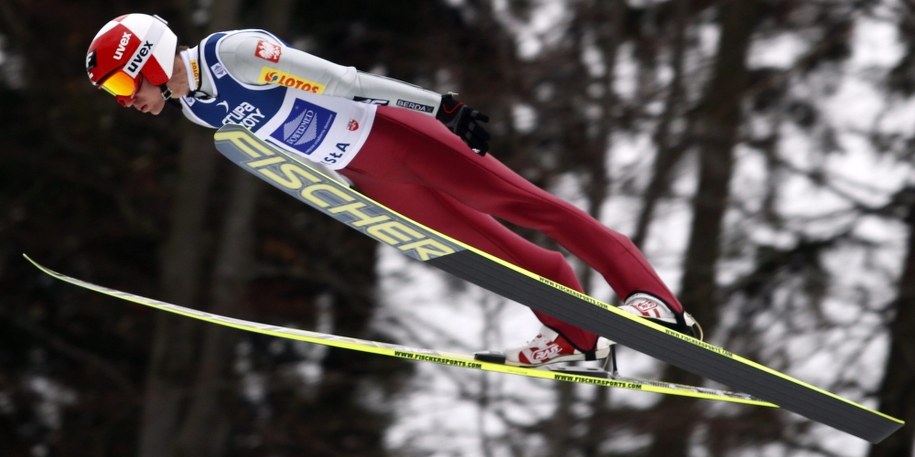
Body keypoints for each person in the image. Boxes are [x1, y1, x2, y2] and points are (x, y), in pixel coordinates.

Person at [86, 13, 698, 367]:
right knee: (486, 252)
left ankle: (653, 298)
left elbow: (340, 80)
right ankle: (573, 333)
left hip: (394, 133)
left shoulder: (236, 56)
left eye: (121, 87)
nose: (127, 103)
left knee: (524, 204)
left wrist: (441, 105)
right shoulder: (197, 109)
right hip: (365, 175)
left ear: (150, 60)